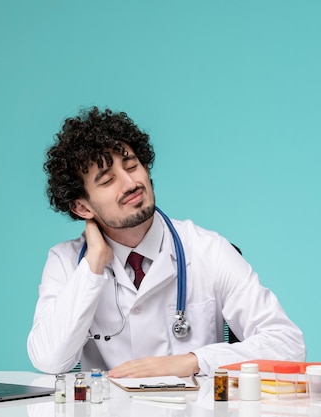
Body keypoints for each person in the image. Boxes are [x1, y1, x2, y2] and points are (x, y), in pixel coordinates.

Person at [27, 107, 305, 377]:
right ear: (82, 208)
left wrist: (193, 361)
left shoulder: (209, 250)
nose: (130, 183)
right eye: (108, 180)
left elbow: (288, 344)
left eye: (132, 166)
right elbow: (50, 360)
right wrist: (92, 267)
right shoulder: (67, 262)